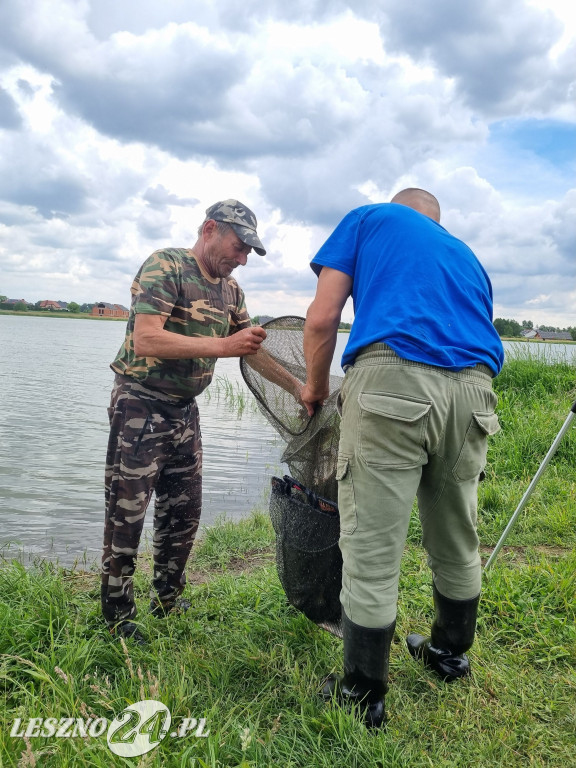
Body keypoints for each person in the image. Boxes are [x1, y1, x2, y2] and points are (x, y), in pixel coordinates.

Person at [301, 188, 504, 727]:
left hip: (395, 378)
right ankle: (448, 655)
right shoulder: (467, 256)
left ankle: (363, 694)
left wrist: (315, 388)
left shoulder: (369, 218)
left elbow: (322, 319)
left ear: (400, 207)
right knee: (457, 532)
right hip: (476, 392)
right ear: (437, 220)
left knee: (371, 543)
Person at [101, 199, 299, 644]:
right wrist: (224, 347)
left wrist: (297, 388)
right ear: (210, 229)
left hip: (184, 412)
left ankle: (168, 598)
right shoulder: (166, 266)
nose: (243, 258)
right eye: (239, 246)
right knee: (127, 512)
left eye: (250, 252)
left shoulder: (232, 291)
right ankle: (116, 612)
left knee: (184, 511)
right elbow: (147, 338)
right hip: (140, 405)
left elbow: (252, 350)